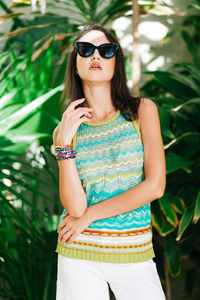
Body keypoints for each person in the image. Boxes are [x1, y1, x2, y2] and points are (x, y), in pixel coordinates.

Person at [53, 23, 166, 300]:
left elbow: (155, 187)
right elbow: (76, 207)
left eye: (105, 50)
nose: (95, 56)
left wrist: (90, 216)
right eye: (85, 49)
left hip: (133, 252)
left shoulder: (142, 111)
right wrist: (64, 146)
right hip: (78, 250)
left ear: (116, 61)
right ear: (75, 63)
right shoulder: (65, 129)